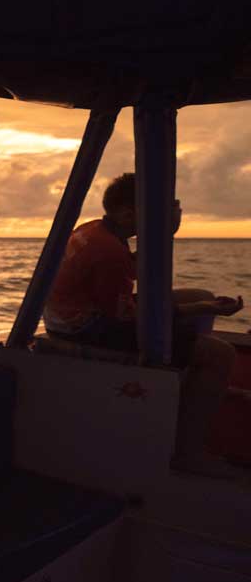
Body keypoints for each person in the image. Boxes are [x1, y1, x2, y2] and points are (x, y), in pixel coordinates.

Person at [45, 172, 244, 475]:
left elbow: (124, 281)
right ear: (128, 213)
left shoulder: (96, 230)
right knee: (220, 354)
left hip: (79, 315)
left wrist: (198, 302)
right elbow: (128, 316)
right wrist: (201, 309)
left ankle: (184, 377)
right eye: (159, 209)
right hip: (85, 329)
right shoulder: (109, 250)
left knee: (200, 295)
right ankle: (188, 452)